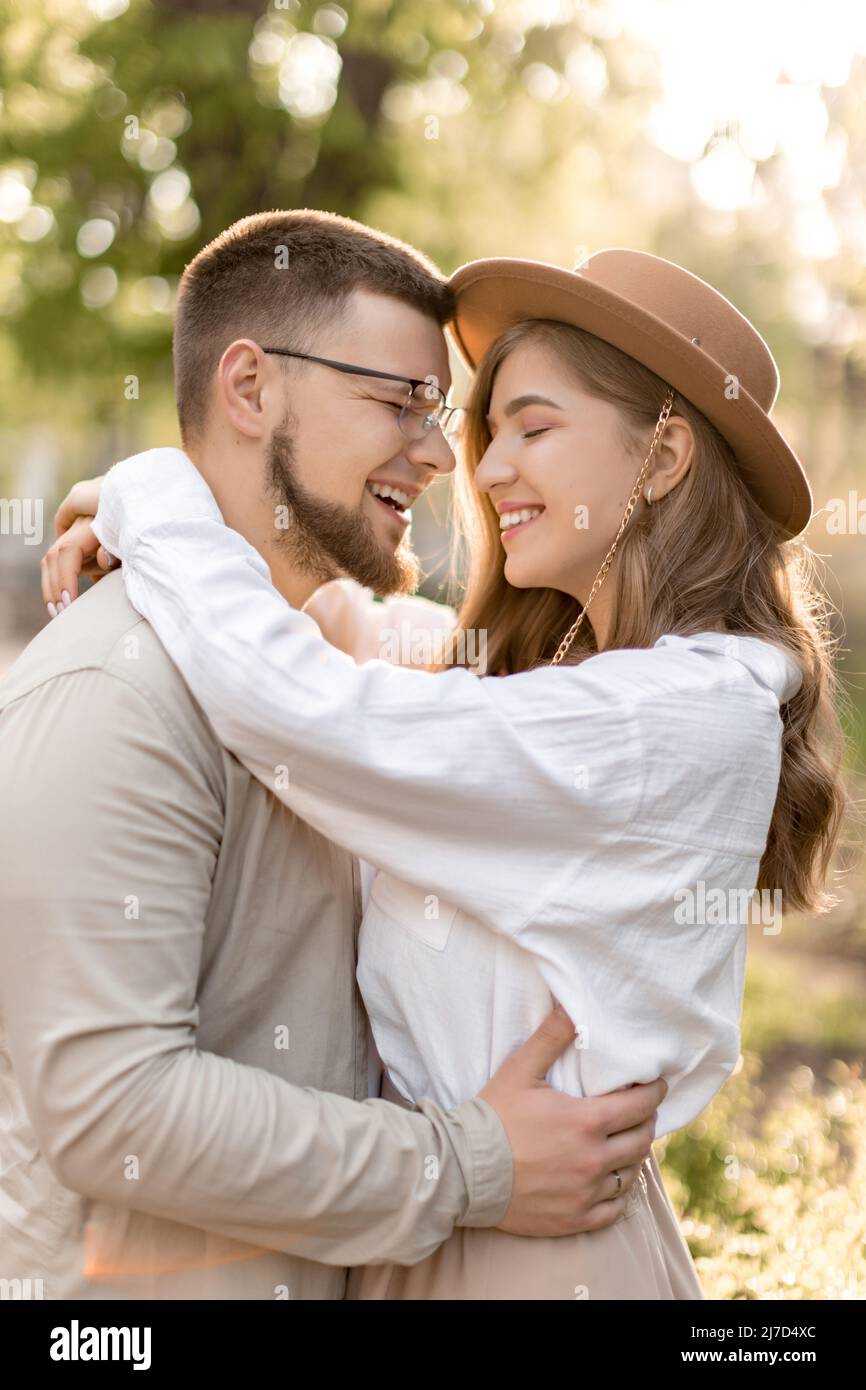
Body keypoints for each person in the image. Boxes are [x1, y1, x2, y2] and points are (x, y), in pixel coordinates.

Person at [44, 247, 848, 1299]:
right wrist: (183, 526)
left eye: (532, 426)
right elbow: (373, 642)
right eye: (488, 430)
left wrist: (161, 495)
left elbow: (318, 713)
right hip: (467, 1219)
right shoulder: (582, 680)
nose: (483, 466)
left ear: (659, 461)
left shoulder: (671, 719)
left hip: (535, 1249)